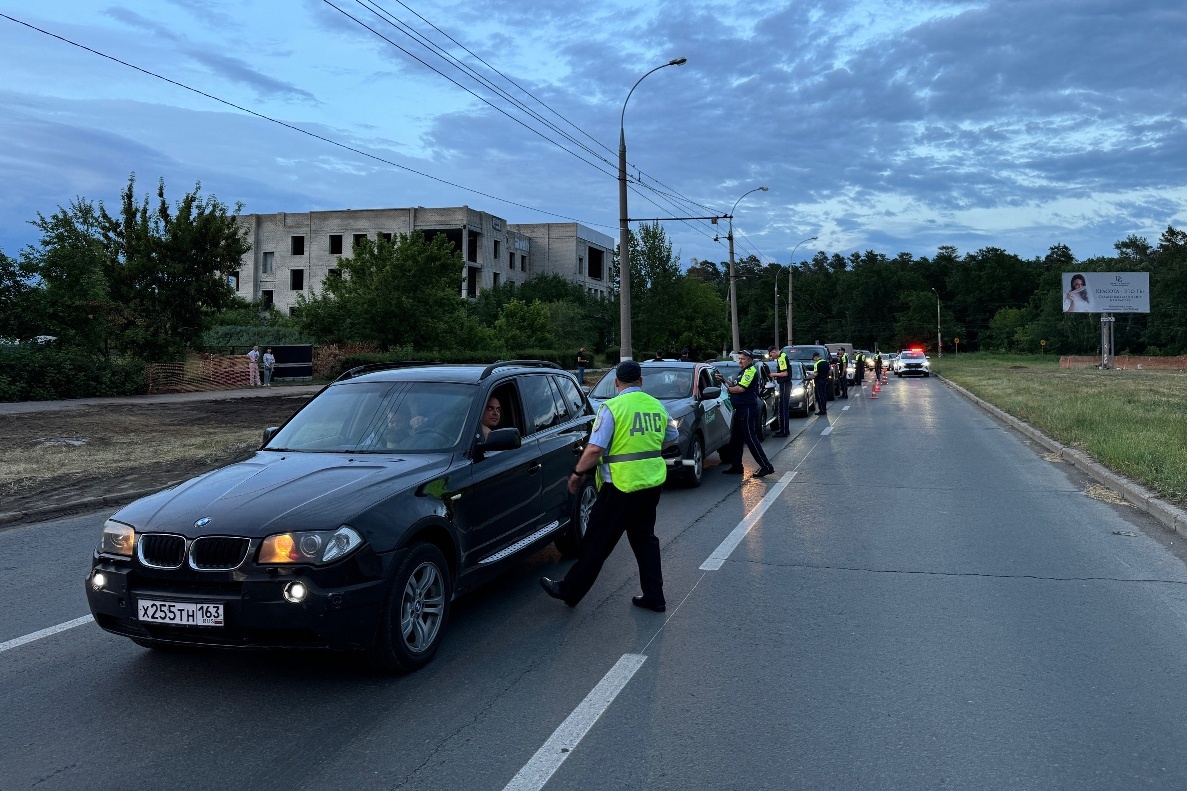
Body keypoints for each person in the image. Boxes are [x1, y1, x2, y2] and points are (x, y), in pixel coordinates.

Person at [540, 360, 678, 612]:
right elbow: (672, 437)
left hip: (620, 487)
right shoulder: (656, 406)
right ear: (641, 381)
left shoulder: (612, 407)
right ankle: (654, 597)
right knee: (645, 540)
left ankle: (569, 591)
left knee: (596, 541)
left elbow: (594, 448)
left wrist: (577, 472)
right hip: (650, 485)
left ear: (616, 383)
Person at [722, 350, 775, 477]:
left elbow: (740, 389)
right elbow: (736, 385)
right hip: (739, 410)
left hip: (746, 409)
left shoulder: (750, 371)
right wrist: (723, 380)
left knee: (751, 439)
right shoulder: (743, 371)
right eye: (739, 358)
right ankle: (737, 466)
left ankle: (766, 466)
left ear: (750, 360)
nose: (740, 361)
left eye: (743, 359)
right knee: (735, 439)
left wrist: (728, 389)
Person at [769, 344, 791, 437]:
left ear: (774, 352)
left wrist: (773, 374)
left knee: (783, 408)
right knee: (783, 407)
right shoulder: (783, 356)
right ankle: (784, 430)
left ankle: (784, 431)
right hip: (785, 384)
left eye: (771, 355)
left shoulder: (781, 358)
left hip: (785, 384)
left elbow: (785, 373)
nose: (771, 357)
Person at [811, 351, 829, 416]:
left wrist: (810, 373)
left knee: (819, 396)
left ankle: (821, 410)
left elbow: (816, 374)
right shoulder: (825, 362)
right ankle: (824, 408)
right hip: (825, 380)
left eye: (813, 359)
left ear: (816, 357)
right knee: (824, 395)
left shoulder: (817, 364)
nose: (814, 360)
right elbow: (828, 371)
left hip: (819, 381)